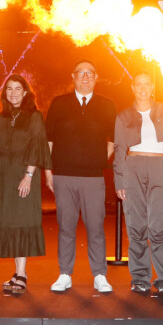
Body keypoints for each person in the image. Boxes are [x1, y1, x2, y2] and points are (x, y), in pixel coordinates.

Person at [45, 59, 117, 293]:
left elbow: (113, 140)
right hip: (64, 176)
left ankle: (100, 275)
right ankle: (65, 273)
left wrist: (99, 160)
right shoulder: (59, 103)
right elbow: (49, 141)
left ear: (96, 77)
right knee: (66, 227)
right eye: (81, 73)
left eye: (90, 73)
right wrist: (48, 171)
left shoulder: (107, 105)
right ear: (73, 77)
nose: (85, 76)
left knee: (95, 227)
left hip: (93, 178)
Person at [0, 75, 52, 294]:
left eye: (18, 89)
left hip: (23, 175)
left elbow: (38, 146)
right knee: (9, 222)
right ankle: (17, 273)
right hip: (4, 176)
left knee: (22, 221)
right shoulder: (2, 118)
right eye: (9, 89)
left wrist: (29, 176)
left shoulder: (34, 116)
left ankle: (22, 274)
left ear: (25, 92)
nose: (13, 93)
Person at [114, 70, 163, 294]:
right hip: (132, 168)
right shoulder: (123, 116)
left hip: (158, 166)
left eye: (147, 84)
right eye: (138, 84)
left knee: (161, 224)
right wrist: (119, 180)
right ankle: (140, 277)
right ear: (132, 87)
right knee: (136, 224)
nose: (143, 88)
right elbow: (119, 149)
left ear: (153, 87)